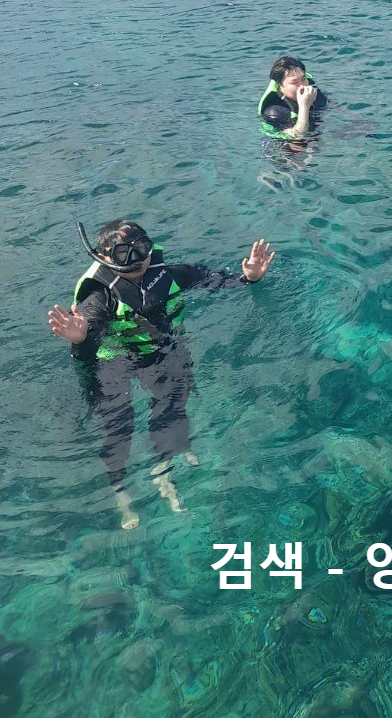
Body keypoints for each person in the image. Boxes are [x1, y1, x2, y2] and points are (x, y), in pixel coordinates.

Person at [48, 220, 275, 529]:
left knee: (175, 399)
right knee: (118, 421)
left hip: (159, 350)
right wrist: (80, 340)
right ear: (103, 257)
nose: (136, 260)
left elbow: (213, 280)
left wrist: (248, 279)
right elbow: (86, 352)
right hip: (113, 358)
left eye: (141, 249)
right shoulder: (99, 296)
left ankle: (165, 463)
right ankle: (120, 489)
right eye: (123, 253)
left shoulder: (167, 274)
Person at [258, 55, 326, 143]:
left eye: (303, 79)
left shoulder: (310, 88)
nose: (302, 86)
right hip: (285, 145)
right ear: (279, 87)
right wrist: (304, 106)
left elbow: (329, 105)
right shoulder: (274, 111)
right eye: (294, 82)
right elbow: (298, 136)